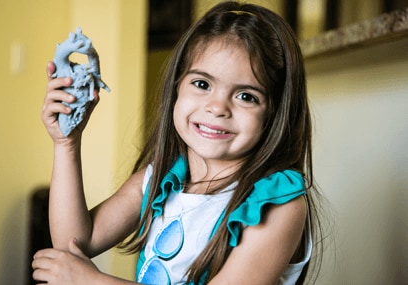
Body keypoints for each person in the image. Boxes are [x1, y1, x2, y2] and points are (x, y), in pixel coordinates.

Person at [32, 1, 325, 284]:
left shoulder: (277, 205)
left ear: (276, 114)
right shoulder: (163, 178)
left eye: (246, 96)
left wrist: (91, 281)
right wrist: (66, 143)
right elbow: (75, 240)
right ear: (177, 88)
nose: (217, 107)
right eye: (202, 84)